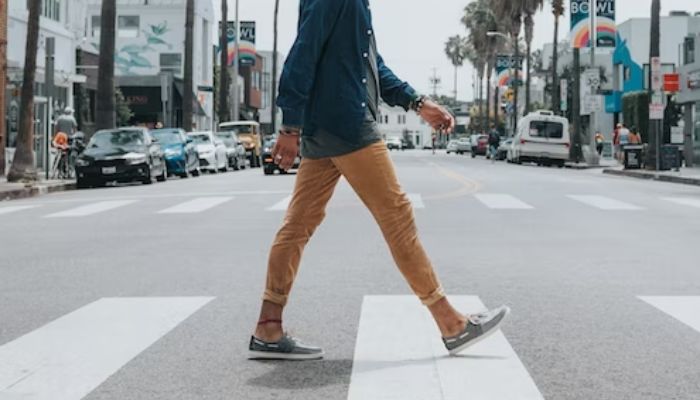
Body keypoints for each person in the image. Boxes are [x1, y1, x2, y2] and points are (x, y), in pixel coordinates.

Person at [249, 0, 510, 361]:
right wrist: (289, 126)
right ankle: (451, 323)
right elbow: (302, 55)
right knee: (397, 216)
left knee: (297, 226)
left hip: (327, 128)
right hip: (348, 126)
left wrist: (418, 103)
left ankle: (268, 326)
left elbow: (371, 68)